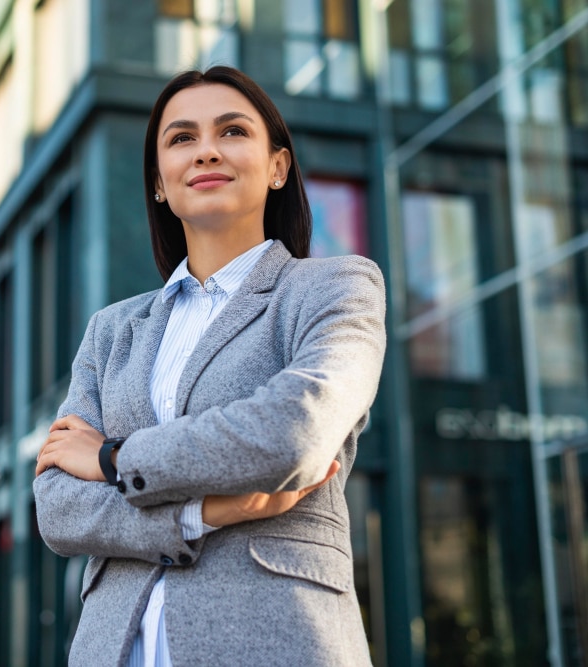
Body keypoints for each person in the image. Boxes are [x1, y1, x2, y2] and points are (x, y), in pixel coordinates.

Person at [33, 65, 386, 666]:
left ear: (278, 167)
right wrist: (203, 512)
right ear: (159, 184)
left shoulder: (334, 287)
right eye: (181, 138)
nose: (206, 152)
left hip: (276, 642)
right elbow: (59, 509)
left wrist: (112, 458)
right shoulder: (112, 330)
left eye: (232, 131)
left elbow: (292, 435)